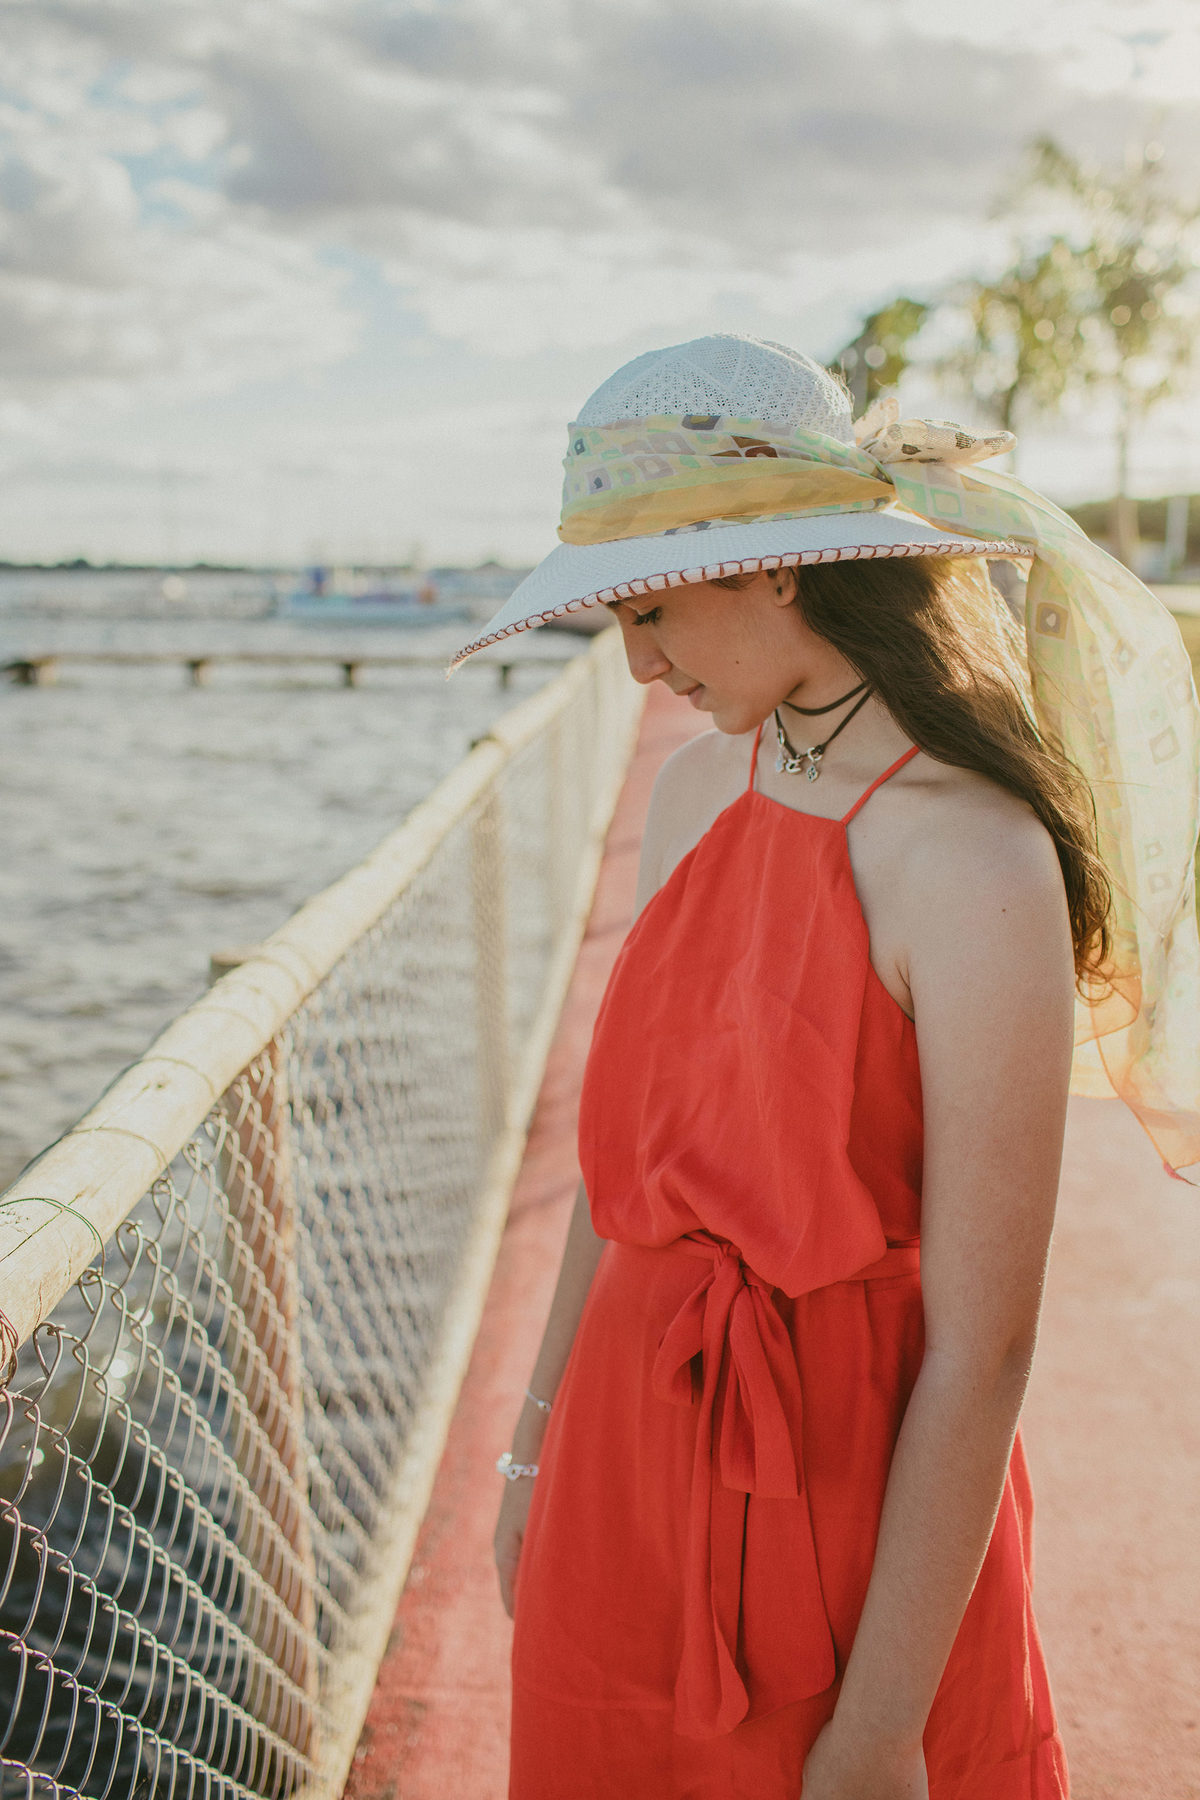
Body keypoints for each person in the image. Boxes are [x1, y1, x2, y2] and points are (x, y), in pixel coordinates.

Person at [449, 335, 1200, 1799]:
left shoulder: (975, 860)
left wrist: (879, 1731)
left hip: (850, 1506)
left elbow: (985, 1348)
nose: (639, 663)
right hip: (620, 1456)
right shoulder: (691, 789)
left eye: (652, 607)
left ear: (777, 568)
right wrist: (532, 1456)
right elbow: (617, 1193)